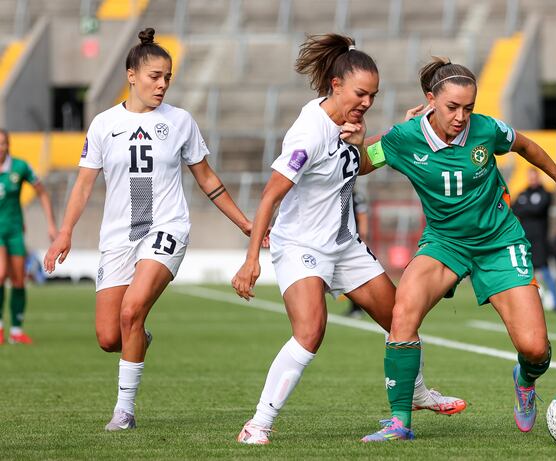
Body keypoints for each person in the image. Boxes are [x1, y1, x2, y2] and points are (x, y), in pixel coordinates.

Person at [230, 35, 465, 446]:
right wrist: (252, 259)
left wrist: (405, 133)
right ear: (336, 85)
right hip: (302, 246)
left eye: (373, 95)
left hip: (344, 245)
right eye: (360, 93)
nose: (366, 102)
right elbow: (271, 193)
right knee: (310, 331)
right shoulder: (309, 132)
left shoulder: (350, 124)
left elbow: (356, 166)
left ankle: (416, 392)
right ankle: (258, 424)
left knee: (400, 318)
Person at [359, 57, 556, 442]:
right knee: (403, 315)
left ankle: (525, 379)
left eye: (469, 107)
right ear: (430, 100)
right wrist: (352, 135)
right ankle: (400, 423)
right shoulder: (404, 138)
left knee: (535, 348)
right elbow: (364, 161)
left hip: (499, 242)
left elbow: (526, 145)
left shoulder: (486, 130)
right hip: (444, 244)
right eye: (452, 107)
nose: (462, 117)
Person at [44, 28, 253, 431]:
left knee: (131, 310)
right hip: (120, 237)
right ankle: (138, 336)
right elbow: (84, 184)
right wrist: (65, 231)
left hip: (166, 228)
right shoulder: (104, 125)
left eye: (168, 76)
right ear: (132, 75)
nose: (162, 84)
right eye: (155, 75)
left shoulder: (180, 121)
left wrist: (244, 221)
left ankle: (124, 412)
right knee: (110, 337)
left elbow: (207, 179)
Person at [0, 129, 57, 344]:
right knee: (0, 273)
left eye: (3, 143)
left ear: (9, 145)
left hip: (14, 230)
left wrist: (51, 225)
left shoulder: (20, 167)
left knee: (18, 280)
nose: (0, 148)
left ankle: (15, 331)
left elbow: (42, 192)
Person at [511, 168, 556, 309]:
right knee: (525, 270)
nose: (532, 180)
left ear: (538, 177)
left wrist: (526, 208)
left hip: (540, 239)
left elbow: (538, 209)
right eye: (530, 177)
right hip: (525, 237)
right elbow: (514, 208)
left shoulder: (545, 193)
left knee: (544, 269)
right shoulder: (523, 192)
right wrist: (529, 208)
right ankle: (525, 302)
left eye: (534, 177)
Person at [345, 188, 369, 317]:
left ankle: (357, 308)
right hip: (345, 239)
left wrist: (362, 236)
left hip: (354, 239)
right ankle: (354, 308)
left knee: (355, 276)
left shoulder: (356, 196)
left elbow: (362, 215)